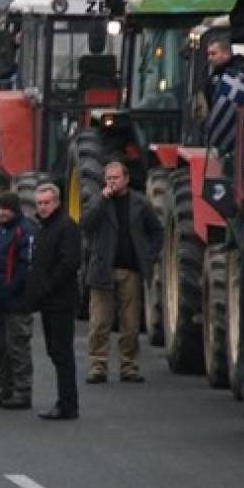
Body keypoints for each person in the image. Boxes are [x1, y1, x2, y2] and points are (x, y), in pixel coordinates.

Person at [81, 161, 163, 384]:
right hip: (102, 269)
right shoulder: (99, 201)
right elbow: (86, 224)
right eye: (108, 179)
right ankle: (98, 365)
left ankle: (129, 366)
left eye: (116, 178)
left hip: (131, 270)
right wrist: (101, 198)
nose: (112, 182)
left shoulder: (140, 203)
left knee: (130, 323)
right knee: (99, 322)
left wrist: (149, 255)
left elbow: (157, 231)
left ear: (126, 179)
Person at [26, 183, 82, 420]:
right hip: (47, 302)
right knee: (54, 351)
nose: (43, 207)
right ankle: (65, 401)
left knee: (62, 353)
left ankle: (68, 404)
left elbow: (69, 263)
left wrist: (48, 286)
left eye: (47, 202)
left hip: (61, 300)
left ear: (57, 202)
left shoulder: (67, 227)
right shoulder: (42, 229)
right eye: (39, 203)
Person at [0, 192, 37, 410]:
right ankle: (6, 389)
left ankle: (22, 392)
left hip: (17, 302)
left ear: (15, 210)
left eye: (6, 208)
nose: (1, 212)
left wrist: (11, 289)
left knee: (18, 348)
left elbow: (26, 268)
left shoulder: (24, 232)